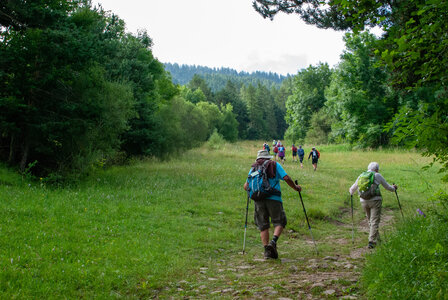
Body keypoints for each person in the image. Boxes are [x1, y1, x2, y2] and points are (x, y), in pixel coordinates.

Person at [244, 149, 301, 259]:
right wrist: (296, 188)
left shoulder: (254, 168)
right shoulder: (274, 164)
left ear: (258, 158)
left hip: (258, 199)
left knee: (263, 225)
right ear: (268, 157)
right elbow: (286, 178)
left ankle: (267, 251)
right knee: (279, 221)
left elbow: (246, 186)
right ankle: (273, 242)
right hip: (274, 198)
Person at [349, 162, 398, 249]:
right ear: (377, 169)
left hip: (363, 201)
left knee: (370, 220)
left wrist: (351, 193)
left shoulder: (362, 175)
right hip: (375, 200)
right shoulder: (377, 175)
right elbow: (387, 187)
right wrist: (394, 188)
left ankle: (378, 240)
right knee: (374, 221)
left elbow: (352, 189)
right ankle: (371, 241)